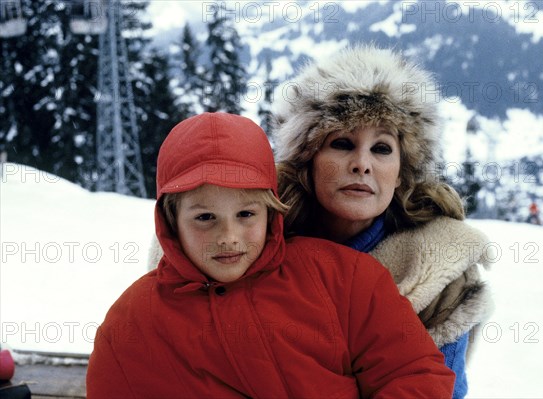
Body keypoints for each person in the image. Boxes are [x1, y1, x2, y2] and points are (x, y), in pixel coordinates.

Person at [87, 112, 455, 398]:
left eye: (246, 215)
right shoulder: (131, 325)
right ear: (170, 220)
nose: (228, 237)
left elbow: (415, 373)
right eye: (204, 218)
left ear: (270, 213)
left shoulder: (344, 278)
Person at [271, 45, 493, 399]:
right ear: (307, 160)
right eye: (342, 143)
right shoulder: (256, 246)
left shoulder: (439, 277)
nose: (362, 164)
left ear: (402, 173)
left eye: (382, 148)